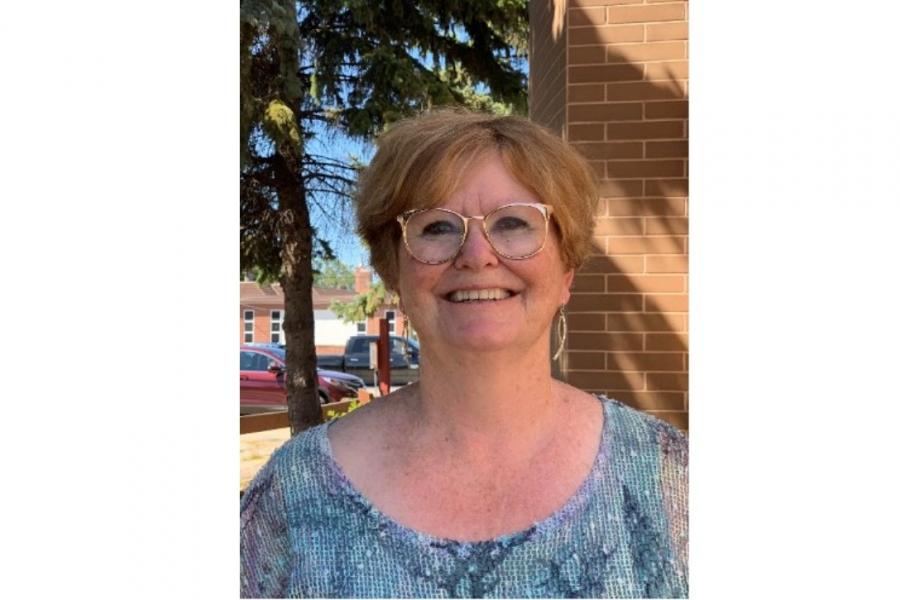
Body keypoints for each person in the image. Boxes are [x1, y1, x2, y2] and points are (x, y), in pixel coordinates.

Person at [240, 110, 688, 598]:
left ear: (567, 272)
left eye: (513, 222)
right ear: (394, 273)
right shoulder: (293, 494)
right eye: (437, 227)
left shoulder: (672, 480)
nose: (476, 255)